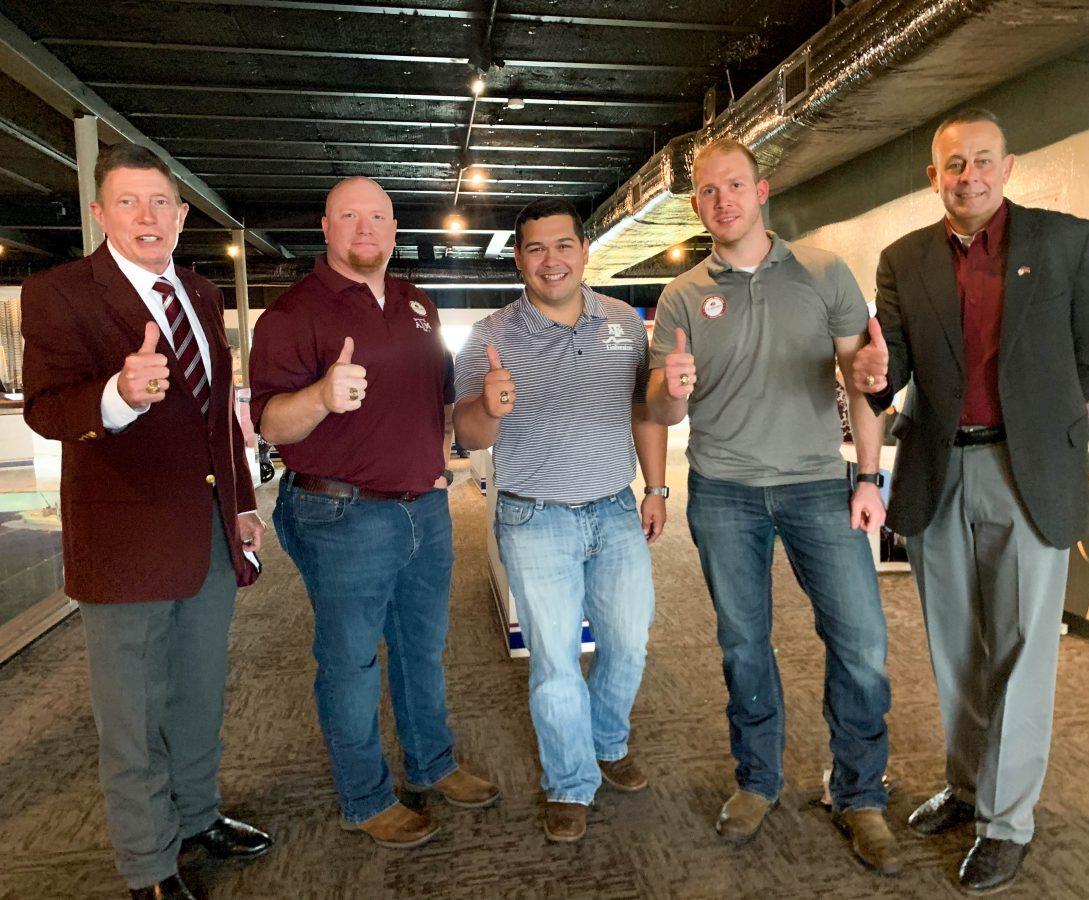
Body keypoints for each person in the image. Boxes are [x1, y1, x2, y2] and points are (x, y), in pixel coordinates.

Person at [850, 108, 1089, 894]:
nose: (967, 175)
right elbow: (892, 362)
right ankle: (969, 787)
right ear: (932, 176)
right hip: (939, 465)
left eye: (982, 161)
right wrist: (875, 373)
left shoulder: (1066, 241)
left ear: (1007, 167)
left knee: (1021, 651)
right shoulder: (904, 258)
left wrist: (1041, 418)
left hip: (1025, 469)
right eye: (952, 165)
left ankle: (1009, 822)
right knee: (957, 647)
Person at [21, 143, 271, 900]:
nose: (147, 216)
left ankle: (196, 817)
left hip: (208, 536)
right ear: (100, 213)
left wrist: (244, 504)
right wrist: (119, 396)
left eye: (161, 202)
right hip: (124, 544)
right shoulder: (59, 291)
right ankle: (148, 866)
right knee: (131, 717)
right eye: (127, 202)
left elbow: (218, 412)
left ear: (183, 214)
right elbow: (45, 408)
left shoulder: (198, 292)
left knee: (199, 694)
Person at [646, 138, 901, 875]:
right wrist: (674, 387)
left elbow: (863, 378)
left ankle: (860, 794)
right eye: (707, 191)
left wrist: (868, 476)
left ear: (761, 192)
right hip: (724, 491)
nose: (722, 200)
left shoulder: (823, 272)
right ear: (696, 205)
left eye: (734, 185)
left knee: (861, 646)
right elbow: (660, 412)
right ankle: (758, 780)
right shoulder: (682, 295)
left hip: (820, 485)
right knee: (742, 646)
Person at [249, 176, 498, 850]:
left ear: (394, 229)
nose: (366, 229)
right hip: (342, 514)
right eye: (349, 216)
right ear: (325, 229)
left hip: (426, 508)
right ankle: (364, 798)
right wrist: (322, 396)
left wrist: (487, 413)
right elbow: (272, 422)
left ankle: (432, 763)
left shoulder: (418, 304)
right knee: (351, 664)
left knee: (422, 650)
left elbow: (445, 414)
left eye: (379, 216)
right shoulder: (293, 314)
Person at [452, 198, 668, 843]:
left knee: (628, 644)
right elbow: (465, 430)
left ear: (584, 250)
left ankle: (606, 742)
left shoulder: (625, 323)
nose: (552, 260)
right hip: (534, 515)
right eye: (537, 248)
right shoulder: (490, 335)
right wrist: (489, 407)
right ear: (519, 257)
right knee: (554, 661)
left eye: (564, 246)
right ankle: (570, 780)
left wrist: (656, 487)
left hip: (615, 509)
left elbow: (645, 410)